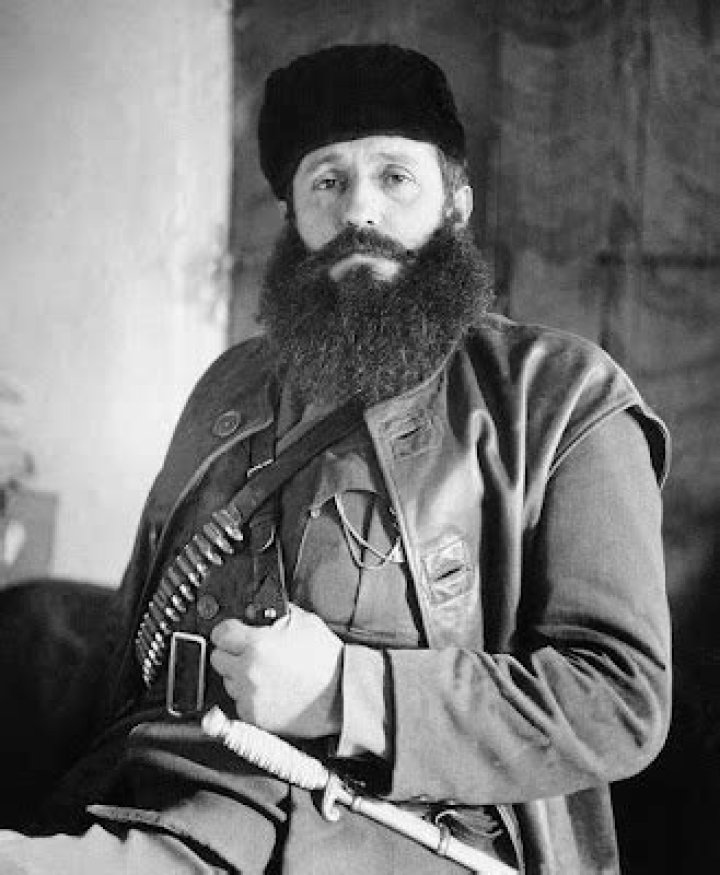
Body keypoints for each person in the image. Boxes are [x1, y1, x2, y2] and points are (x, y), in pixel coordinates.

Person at [0, 43, 671, 874]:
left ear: (455, 205)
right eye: (327, 181)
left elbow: (619, 697)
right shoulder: (228, 388)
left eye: (395, 177)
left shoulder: (560, 396)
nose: (361, 211)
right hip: (169, 797)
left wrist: (347, 691)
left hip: (398, 834)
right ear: (293, 216)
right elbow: (125, 654)